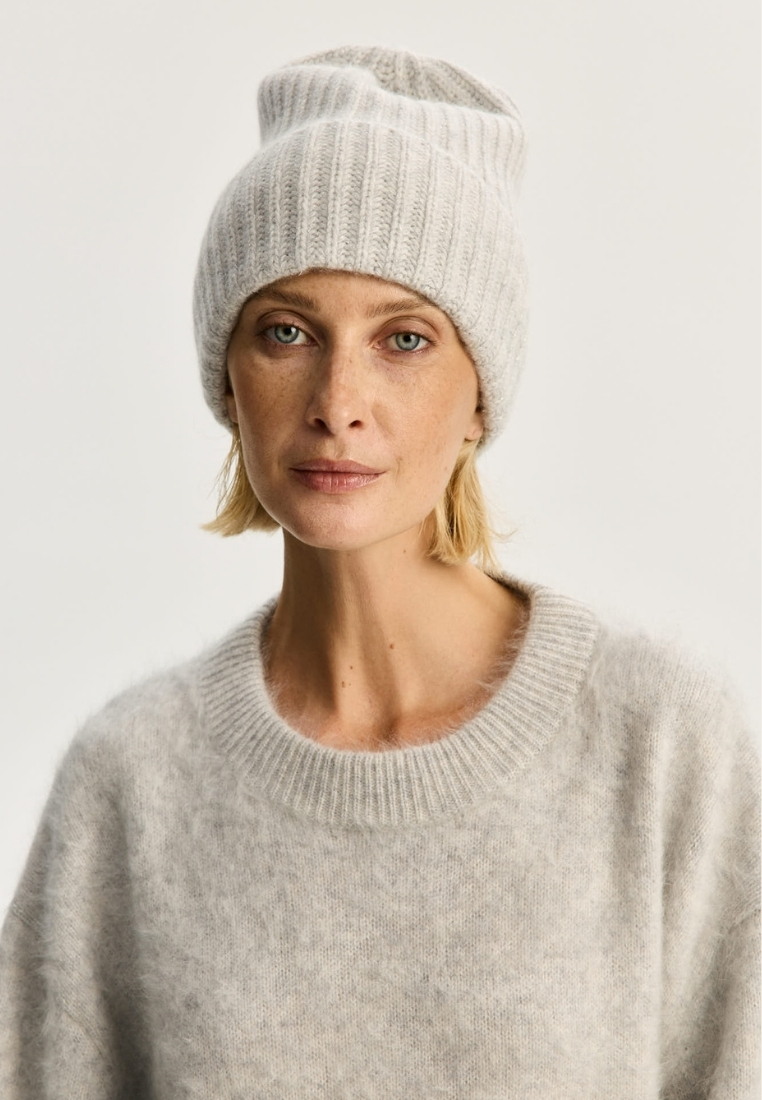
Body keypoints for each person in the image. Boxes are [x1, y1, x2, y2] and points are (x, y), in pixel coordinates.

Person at [0, 45, 758, 1098]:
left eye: (404, 339)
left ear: (481, 393)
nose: (337, 402)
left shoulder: (665, 743)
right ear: (228, 375)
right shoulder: (130, 784)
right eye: (286, 331)